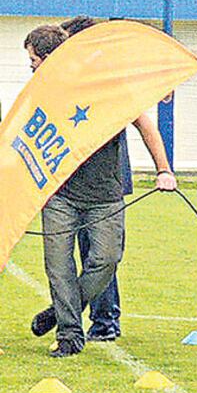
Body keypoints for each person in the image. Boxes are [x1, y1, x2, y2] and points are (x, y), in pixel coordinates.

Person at [23, 23, 177, 357]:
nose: (31, 67)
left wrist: (164, 170)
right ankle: (68, 334)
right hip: (59, 193)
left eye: (34, 60)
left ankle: (65, 308)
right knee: (58, 266)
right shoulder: (41, 90)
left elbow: (145, 124)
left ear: (50, 58)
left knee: (106, 260)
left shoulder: (106, 84)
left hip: (105, 193)